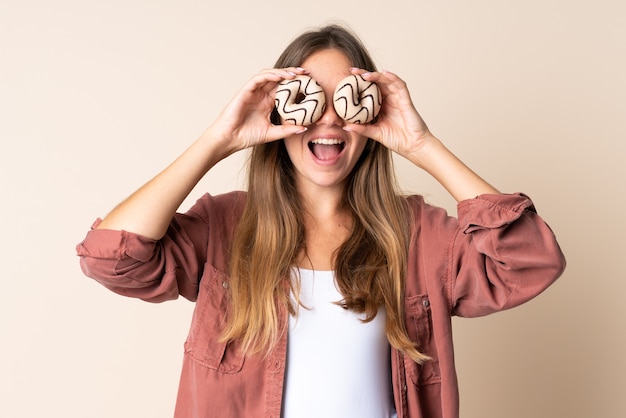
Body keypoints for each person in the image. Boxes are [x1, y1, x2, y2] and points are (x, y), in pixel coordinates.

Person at [76, 24, 565, 418]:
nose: (328, 118)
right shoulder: (224, 226)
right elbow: (110, 257)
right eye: (311, 99)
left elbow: (531, 261)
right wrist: (218, 140)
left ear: (371, 113)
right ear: (278, 112)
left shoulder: (418, 235)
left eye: (346, 99)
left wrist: (422, 146)